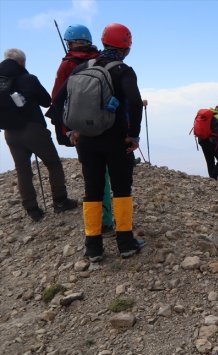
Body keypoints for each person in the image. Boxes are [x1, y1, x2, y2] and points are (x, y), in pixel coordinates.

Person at [53, 23, 144, 261]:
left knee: (91, 190)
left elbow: (59, 100)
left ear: (103, 42)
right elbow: (134, 103)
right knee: (121, 189)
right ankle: (125, 243)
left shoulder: (81, 68)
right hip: (116, 139)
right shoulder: (123, 70)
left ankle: (93, 247)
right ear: (126, 45)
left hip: (86, 141)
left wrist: (71, 129)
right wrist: (133, 135)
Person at [48, 24, 115, 237]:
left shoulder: (68, 65)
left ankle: (97, 225)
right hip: (106, 123)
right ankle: (108, 216)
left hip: (81, 127)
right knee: (105, 172)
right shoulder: (102, 59)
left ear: (72, 43)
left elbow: (57, 98)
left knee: (92, 175)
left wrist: (67, 130)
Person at [0, 48, 78, 222]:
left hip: (9, 132)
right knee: (53, 164)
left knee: (23, 171)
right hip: (33, 129)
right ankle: (60, 201)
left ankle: (32, 210)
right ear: (21, 62)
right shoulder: (28, 79)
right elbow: (46, 101)